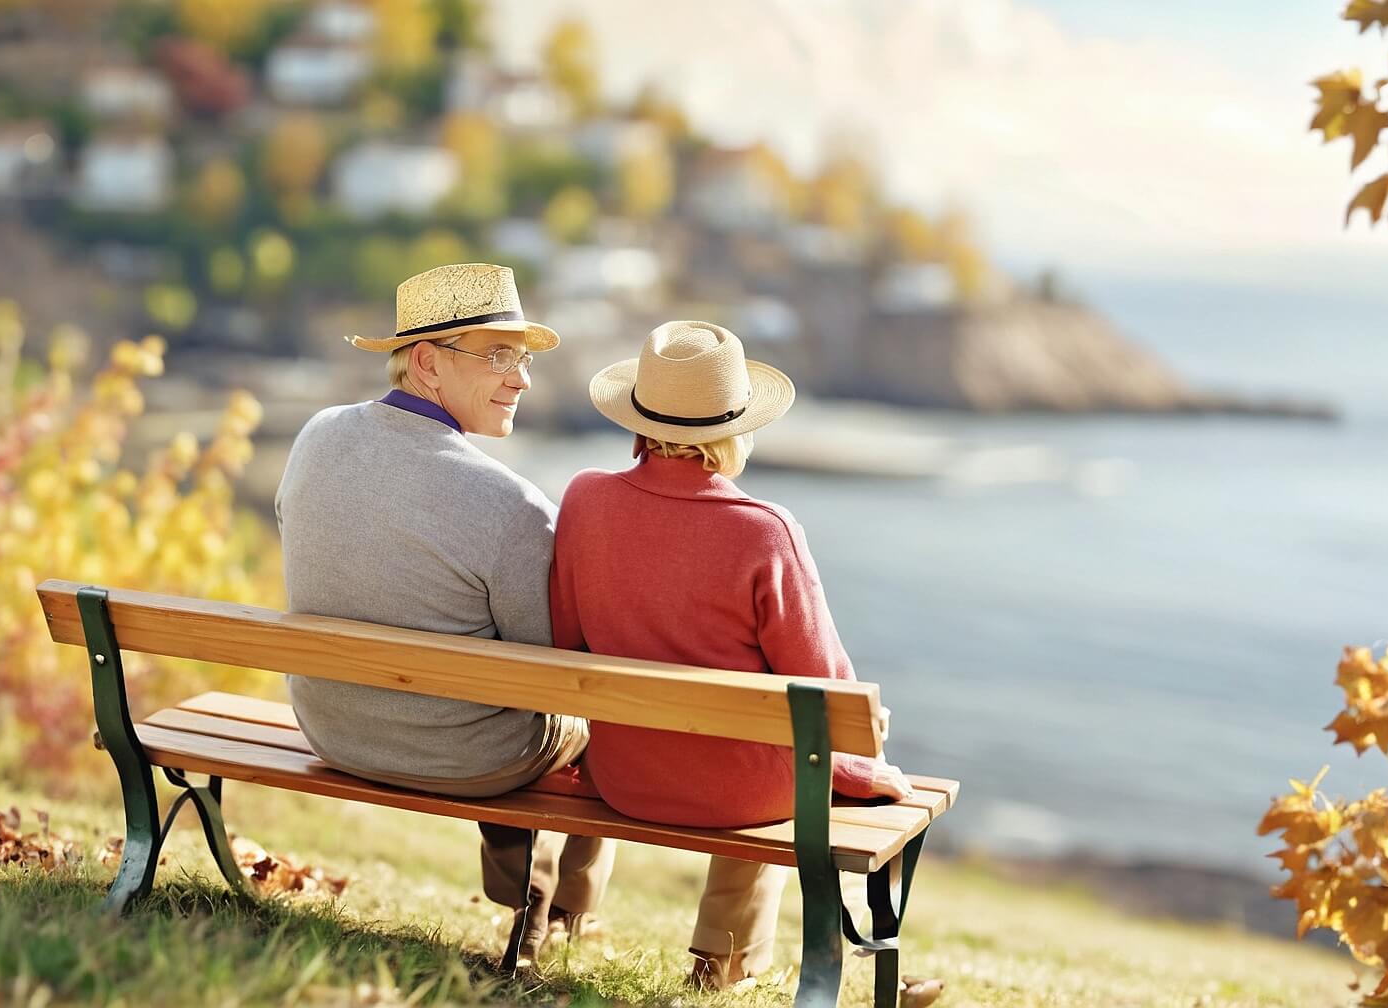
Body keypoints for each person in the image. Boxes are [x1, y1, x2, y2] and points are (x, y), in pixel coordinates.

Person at [548, 320, 941, 1003]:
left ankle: (565, 918)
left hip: (621, 775)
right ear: (734, 433)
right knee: (778, 761)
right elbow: (820, 684)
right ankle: (719, 965)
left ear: (639, 418)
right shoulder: (767, 531)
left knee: (742, 742)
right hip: (737, 799)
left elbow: (565, 636)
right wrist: (858, 771)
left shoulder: (585, 498)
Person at [275, 262, 615, 961]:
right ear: (427, 363)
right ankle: (558, 916)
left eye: (520, 359)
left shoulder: (314, 437)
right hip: (464, 758)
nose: (522, 378)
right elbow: (548, 672)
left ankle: (544, 909)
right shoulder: (509, 506)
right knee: (596, 712)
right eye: (497, 357)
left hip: (333, 727)